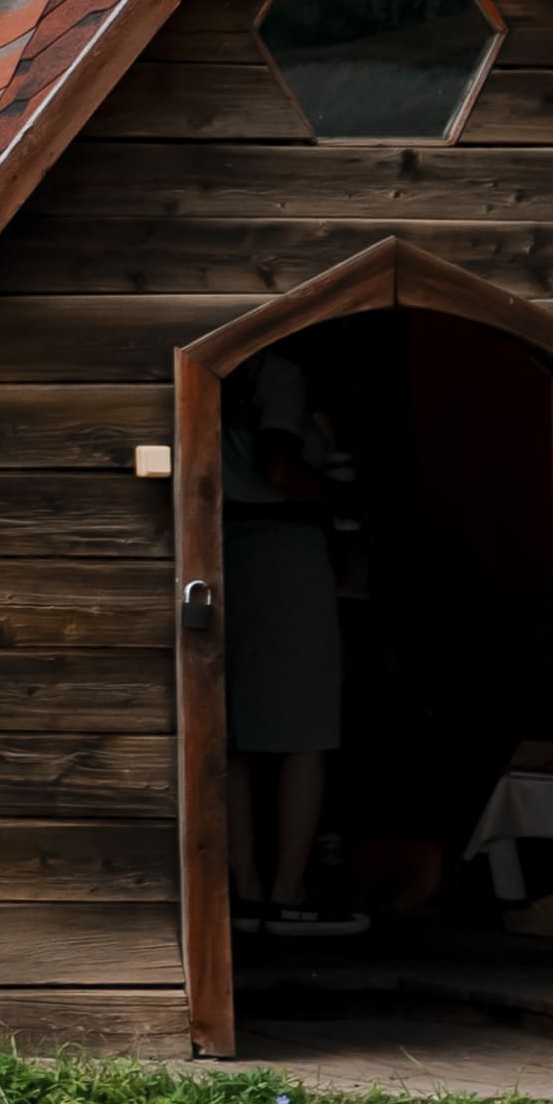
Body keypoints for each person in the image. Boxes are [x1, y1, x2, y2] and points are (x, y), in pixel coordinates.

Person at [225, 355, 360, 933]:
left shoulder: (217, 367)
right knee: (306, 724)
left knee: (231, 728)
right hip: (281, 541)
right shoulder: (279, 369)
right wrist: (345, 499)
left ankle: (243, 887)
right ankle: (288, 889)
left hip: (218, 535)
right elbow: (278, 467)